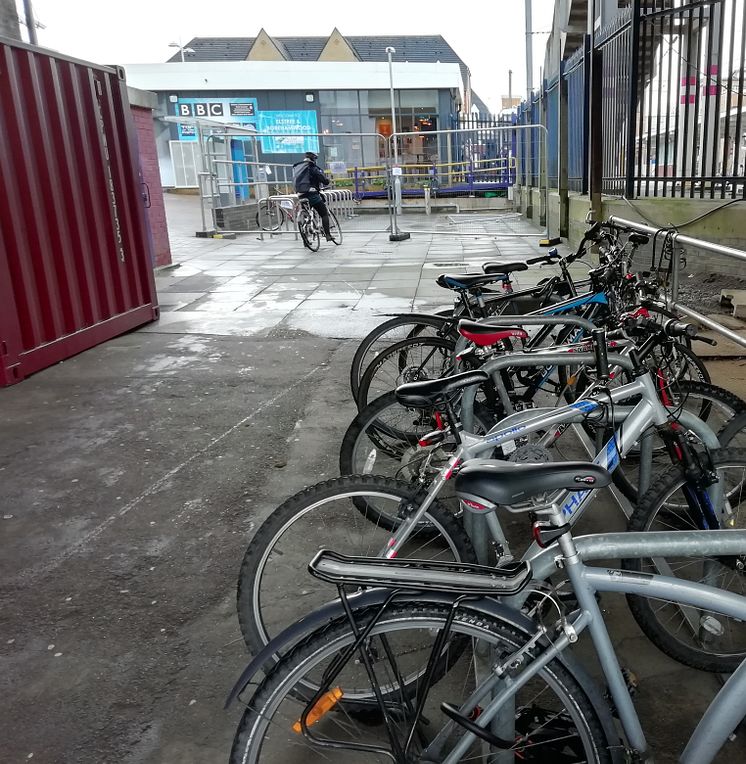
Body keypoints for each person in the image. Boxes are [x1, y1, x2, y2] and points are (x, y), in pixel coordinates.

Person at [292, 151, 335, 242]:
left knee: (306, 215)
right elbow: (323, 180)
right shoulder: (313, 168)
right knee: (324, 213)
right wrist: (327, 181)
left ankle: (305, 240)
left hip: (301, 194)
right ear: (313, 159)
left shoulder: (299, 169)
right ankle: (328, 235)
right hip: (312, 195)